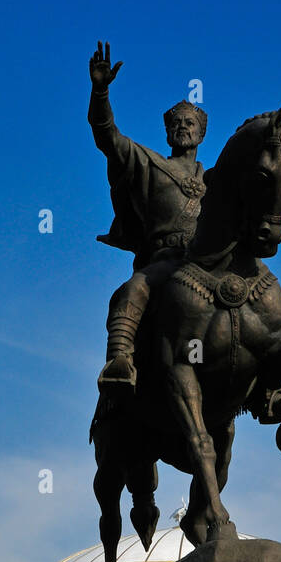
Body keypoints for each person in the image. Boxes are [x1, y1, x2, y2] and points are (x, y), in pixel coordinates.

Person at [88, 41, 208, 394]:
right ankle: (120, 359)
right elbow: (106, 136)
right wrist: (100, 90)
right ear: (168, 131)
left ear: (202, 133)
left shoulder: (214, 181)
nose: (183, 127)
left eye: (190, 123)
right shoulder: (149, 164)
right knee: (134, 288)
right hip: (164, 261)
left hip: (206, 264)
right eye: (177, 123)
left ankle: (265, 389)